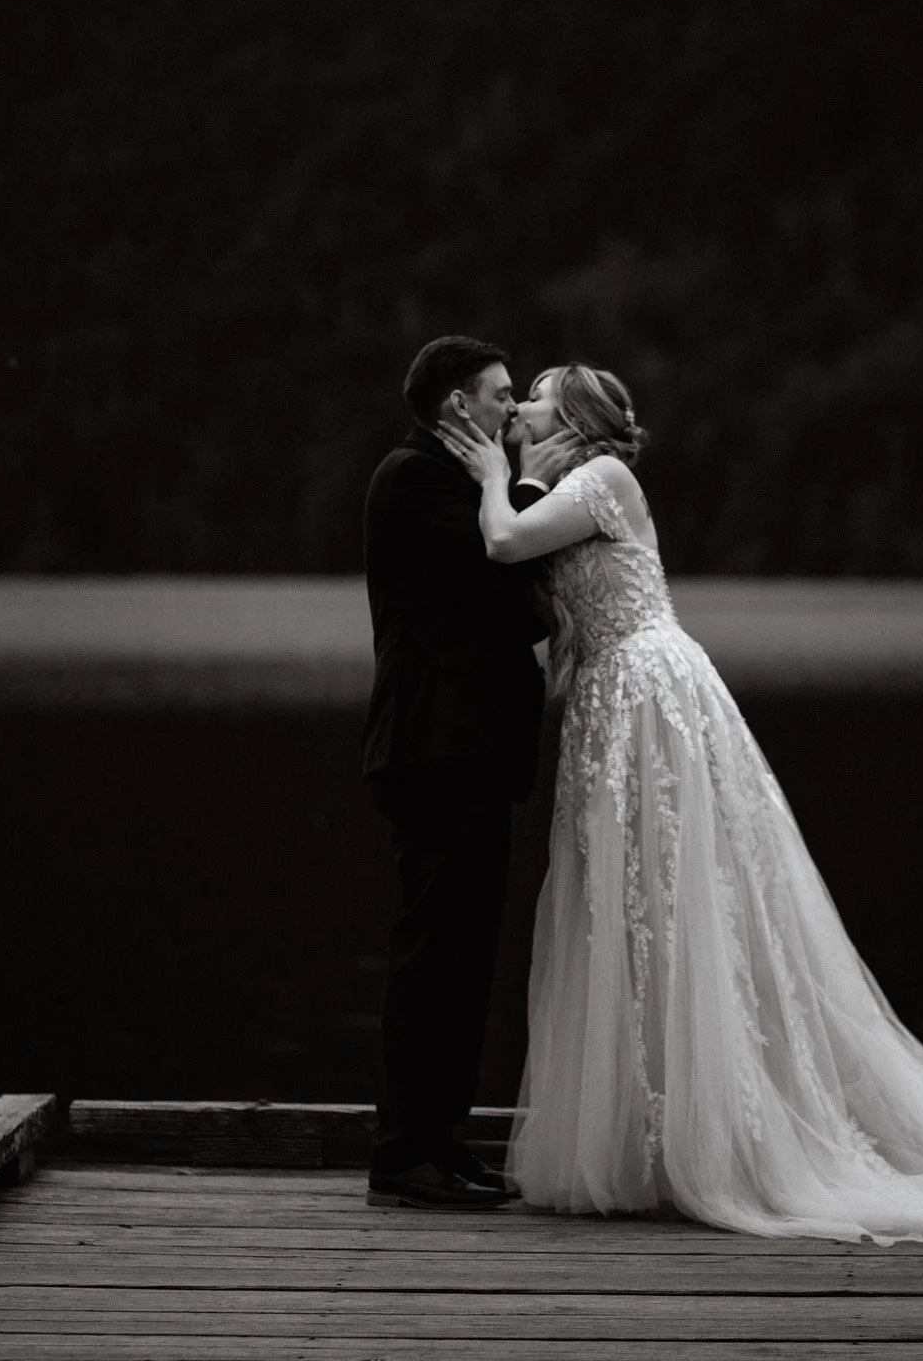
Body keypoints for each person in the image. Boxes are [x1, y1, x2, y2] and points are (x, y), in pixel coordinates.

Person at [433, 364, 923, 1245]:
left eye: (539, 391)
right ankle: (658, 1135)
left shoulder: (602, 479)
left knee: (682, 899)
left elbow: (506, 545)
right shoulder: (558, 484)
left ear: (575, 417)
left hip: (648, 696)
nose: (521, 403)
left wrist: (486, 479)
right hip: (607, 707)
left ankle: (730, 1140)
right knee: (632, 913)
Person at [360, 336, 583, 1210]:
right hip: (433, 746)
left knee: (463, 953)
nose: (513, 410)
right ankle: (402, 1151)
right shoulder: (414, 479)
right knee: (433, 950)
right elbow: (510, 578)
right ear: (459, 406)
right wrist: (521, 481)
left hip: (469, 750)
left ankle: (440, 1142)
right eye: (498, 396)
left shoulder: (453, 485)